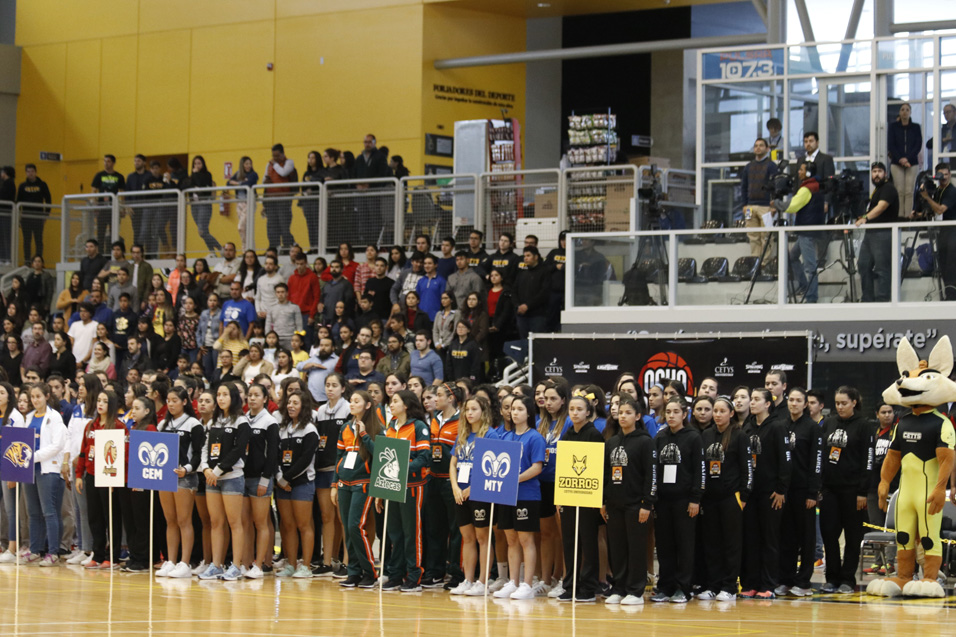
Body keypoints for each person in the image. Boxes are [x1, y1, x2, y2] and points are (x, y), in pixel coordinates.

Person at [819, 386, 873, 594]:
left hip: (853, 491)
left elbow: (868, 460)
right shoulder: (829, 422)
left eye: (844, 403)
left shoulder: (864, 426)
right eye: (837, 403)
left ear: (854, 403)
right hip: (830, 489)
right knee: (829, 534)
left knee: (852, 536)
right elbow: (822, 454)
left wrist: (862, 491)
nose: (840, 407)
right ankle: (831, 577)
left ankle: (847, 579)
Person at [649, 397, 704, 604]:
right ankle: (665, 586)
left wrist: (695, 498)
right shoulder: (660, 437)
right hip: (663, 501)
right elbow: (654, 469)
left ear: (684, 414)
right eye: (668, 412)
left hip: (685, 500)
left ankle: (684, 587)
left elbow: (700, 470)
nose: (671, 415)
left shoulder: (693, 437)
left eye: (675, 412)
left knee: (685, 545)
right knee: (665, 545)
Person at [603, 395, 656, 605]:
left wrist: (647, 503)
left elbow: (651, 475)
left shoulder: (645, 441)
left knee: (636, 548)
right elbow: (606, 475)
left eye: (628, 413)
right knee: (617, 547)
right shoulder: (612, 442)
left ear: (638, 416)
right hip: (614, 505)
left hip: (637, 505)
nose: (623, 416)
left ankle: (636, 591)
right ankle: (619, 587)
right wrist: (604, 501)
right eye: (620, 412)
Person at [739, 388, 791, 599]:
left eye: (757, 399)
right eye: (752, 399)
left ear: (768, 404)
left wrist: (781, 489)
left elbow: (785, 461)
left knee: (769, 539)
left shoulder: (778, 427)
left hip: (770, 493)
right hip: (751, 493)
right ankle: (750, 582)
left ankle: (768, 584)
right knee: (751, 539)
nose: (752, 403)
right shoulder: (747, 427)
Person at [698, 396, 751, 601]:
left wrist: (743, 495)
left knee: (731, 543)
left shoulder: (739, 435)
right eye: (715, 411)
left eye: (722, 411)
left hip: (731, 497)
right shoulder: (706, 435)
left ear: (731, 414)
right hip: (710, 498)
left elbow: (747, 468)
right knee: (712, 543)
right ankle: (713, 584)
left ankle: (729, 586)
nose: (718, 415)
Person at [493, 393, 545, 600]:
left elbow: (537, 467)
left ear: (529, 413)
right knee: (511, 539)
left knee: (526, 539)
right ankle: (512, 582)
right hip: (506, 496)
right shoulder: (504, 437)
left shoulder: (535, 437)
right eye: (512, 409)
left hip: (527, 495)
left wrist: (515, 479)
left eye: (520, 409)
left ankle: (527, 583)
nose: (514, 413)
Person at [197, 383, 251, 581]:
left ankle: (236, 566)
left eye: (225, 395)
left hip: (231, 478)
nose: (220, 398)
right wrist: (205, 468)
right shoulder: (214, 421)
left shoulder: (242, 421)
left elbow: (238, 450)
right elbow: (205, 447)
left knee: (234, 522)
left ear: (234, 397)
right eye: (218, 395)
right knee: (215, 522)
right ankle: (216, 565)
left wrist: (218, 470)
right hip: (212, 478)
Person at [378, 390, 431, 592]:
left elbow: (424, 457)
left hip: (413, 487)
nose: (391, 404)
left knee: (412, 532)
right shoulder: (389, 428)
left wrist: (402, 469)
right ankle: (395, 575)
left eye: (395, 401)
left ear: (406, 405)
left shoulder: (419, 427)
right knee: (394, 533)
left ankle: (414, 575)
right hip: (391, 487)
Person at [557, 395, 606, 602]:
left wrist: (599, 499)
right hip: (568, 495)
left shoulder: (594, 435)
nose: (575, 412)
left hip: (588, 497)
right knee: (569, 541)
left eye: (579, 409)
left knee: (588, 542)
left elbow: (600, 469)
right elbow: (563, 466)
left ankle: (588, 586)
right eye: (571, 409)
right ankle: (570, 585)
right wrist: (559, 496)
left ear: (588, 412)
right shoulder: (567, 434)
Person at [154, 386, 205, 579]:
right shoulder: (162, 425)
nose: (171, 404)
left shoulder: (193, 424)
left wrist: (188, 469)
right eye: (168, 400)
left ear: (185, 402)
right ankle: (171, 560)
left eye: (175, 400)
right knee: (170, 521)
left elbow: (199, 454)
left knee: (184, 520)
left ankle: (185, 562)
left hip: (185, 478)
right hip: (166, 477)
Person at [447, 394, 496, 595]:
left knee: (482, 537)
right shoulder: (463, 435)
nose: (469, 413)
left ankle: (482, 581)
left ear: (483, 412)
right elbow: (453, 463)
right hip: (461, 493)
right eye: (467, 410)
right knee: (467, 538)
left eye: (474, 409)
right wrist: (455, 487)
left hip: (480, 494)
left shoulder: (491, 435)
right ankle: (468, 579)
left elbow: (491, 468)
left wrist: (471, 488)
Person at [776, 387, 822, 597]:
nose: (794, 403)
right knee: (787, 537)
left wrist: (813, 492)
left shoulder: (812, 428)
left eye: (798, 401)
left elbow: (816, 461)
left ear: (806, 404)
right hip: (785, 490)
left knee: (806, 537)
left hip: (804, 490)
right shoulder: (781, 425)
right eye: (791, 400)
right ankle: (785, 578)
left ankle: (803, 581)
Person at [333, 389, 381, 588]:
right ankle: (353, 572)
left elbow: (380, 454)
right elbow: (338, 457)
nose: (351, 404)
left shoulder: (376, 428)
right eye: (350, 401)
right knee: (347, 527)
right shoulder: (345, 427)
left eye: (356, 401)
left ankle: (369, 571)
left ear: (367, 405)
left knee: (355, 525)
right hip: (344, 484)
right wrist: (334, 484)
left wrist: (364, 435)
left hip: (364, 483)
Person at [18, 383, 67, 566]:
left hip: (49, 469)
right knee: (33, 512)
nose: (35, 400)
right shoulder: (28, 417)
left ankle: (53, 552)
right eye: (33, 397)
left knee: (49, 512)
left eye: (38, 396)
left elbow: (57, 445)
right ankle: (35, 549)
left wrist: (34, 457)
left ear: (47, 396)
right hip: (30, 470)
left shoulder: (54, 417)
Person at [273, 388, 319, 578]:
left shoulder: (310, 429)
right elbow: (275, 455)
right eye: (289, 403)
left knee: (304, 525)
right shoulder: (282, 428)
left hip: (301, 484)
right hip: (282, 484)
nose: (290, 406)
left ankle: (305, 566)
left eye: (295, 403)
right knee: (287, 525)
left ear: (304, 407)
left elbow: (305, 459)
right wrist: (278, 478)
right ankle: (290, 565)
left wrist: (286, 478)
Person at [422, 383, 463, 589]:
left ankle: (456, 573)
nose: (434, 399)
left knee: (456, 530)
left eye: (438, 395)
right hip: (433, 479)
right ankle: (434, 571)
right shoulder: (432, 420)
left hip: (451, 481)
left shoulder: (461, 421)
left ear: (451, 398)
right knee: (433, 528)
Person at [312, 373, 350, 577]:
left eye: (334, 385)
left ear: (343, 388)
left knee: (342, 517)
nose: (330, 389)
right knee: (327, 517)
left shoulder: (348, 409)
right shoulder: (320, 411)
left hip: (341, 470)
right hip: (322, 470)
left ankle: (346, 561)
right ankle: (327, 561)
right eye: (327, 385)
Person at [241, 383, 279, 579]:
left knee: (261, 523)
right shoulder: (244, 419)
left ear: (265, 399)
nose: (252, 398)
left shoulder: (270, 422)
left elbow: (272, 455)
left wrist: (266, 478)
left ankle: (260, 564)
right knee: (245, 523)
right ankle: (246, 563)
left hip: (260, 479)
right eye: (250, 395)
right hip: (242, 478)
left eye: (257, 395)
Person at [118, 396, 159, 573]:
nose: (132, 411)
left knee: (141, 520)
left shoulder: (150, 429)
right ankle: (134, 556)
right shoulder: (132, 427)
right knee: (130, 520)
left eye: (137, 408)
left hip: (141, 482)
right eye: (132, 408)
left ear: (147, 411)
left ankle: (143, 558)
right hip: (126, 479)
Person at [775, 160, 823, 303]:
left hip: (806, 231)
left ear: (808, 173)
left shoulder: (807, 188)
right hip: (808, 230)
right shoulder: (816, 186)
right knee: (792, 257)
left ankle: (811, 297)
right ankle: (804, 286)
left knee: (809, 266)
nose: (799, 172)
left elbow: (792, 206)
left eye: (801, 170)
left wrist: (776, 203)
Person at [854, 162, 900, 303]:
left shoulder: (888, 188)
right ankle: (867, 299)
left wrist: (865, 218)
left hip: (883, 233)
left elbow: (881, 207)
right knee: (863, 264)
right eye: (874, 171)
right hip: (870, 233)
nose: (876, 174)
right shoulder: (877, 190)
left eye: (880, 171)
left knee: (882, 268)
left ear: (885, 174)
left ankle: (883, 300)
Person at [918, 163, 956, 300]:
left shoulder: (951, 191)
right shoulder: (939, 190)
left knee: (951, 266)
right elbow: (934, 211)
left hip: (952, 232)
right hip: (943, 232)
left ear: (950, 175)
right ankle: (948, 295)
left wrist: (927, 197)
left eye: (946, 174)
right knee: (944, 265)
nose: (944, 177)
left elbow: (940, 210)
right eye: (941, 175)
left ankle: (952, 297)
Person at [740, 138, 779, 256]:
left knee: (766, 237)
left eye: (761, 145)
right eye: (756, 145)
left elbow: (776, 187)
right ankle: (755, 262)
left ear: (767, 149)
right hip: (750, 207)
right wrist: (744, 205)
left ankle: (765, 264)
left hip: (766, 207)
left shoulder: (771, 166)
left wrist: (774, 206)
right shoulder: (748, 167)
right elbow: (744, 187)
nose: (758, 147)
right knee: (752, 236)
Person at [888, 102, 922, 215]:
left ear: (910, 112)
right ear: (899, 112)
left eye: (907, 109)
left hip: (912, 163)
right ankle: (899, 217)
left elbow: (918, 145)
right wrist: (900, 159)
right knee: (899, 191)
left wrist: (907, 158)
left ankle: (907, 218)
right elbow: (891, 145)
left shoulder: (916, 127)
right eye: (902, 109)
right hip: (896, 163)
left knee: (909, 191)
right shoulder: (893, 127)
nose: (905, 112)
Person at [262, 143, 298, 251]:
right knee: (271, 225)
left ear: (283, 154)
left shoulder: (289, 162)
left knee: (284, 224)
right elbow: (264, 180)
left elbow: (283, 173)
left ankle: (289, 246)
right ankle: (273, 247)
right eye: (273, 156)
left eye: (277, 156)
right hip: (271, 199)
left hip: (283, 199)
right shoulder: (269, 165)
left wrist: (274, 164)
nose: (275, 158)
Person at [17, 164, 52, 263]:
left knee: (38, 240)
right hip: (26, 217)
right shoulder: (22, 186)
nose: (30, 173)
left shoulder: (42, 185)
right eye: (28, 171)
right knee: (27, 240)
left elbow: (48, 200)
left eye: (32, 171)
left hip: (38, 217)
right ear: (26, 173)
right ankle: (27, 261)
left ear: (35, 172)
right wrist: (19, 217)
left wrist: (46, 215)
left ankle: (39, 261)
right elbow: (18, 202)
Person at [186, 156, 221, 255]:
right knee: (203, 232)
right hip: (194, 205)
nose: (197, 166)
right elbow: (188, 185)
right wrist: (193, 175)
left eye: (199, 163)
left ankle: (220, 248)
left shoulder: (207, 174)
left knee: (201, 230)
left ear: (203, 164)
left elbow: (201, 184)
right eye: (195, 164)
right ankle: (212, 252)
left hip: (204, 204)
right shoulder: (191, 176)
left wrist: (196, 174)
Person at [514, 245, 550, 339]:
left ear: (536, 257)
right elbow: (514, 291)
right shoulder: (521, 274)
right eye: (524, 256)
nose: (525, 258)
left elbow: (544, 293)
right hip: (522, 315)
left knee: (537, 342)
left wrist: (528, 305)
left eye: (528, 255)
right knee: (524, 342)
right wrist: (518, 305)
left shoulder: (544, 272)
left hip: (538, 315)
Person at [91, 154, 125, 248]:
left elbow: (122, 194)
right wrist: (95, 205)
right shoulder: (99, 175)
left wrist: (122, 208)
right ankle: (101, 253)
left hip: (114, 208)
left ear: (113, 163)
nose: (106, 163)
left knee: (113, 232)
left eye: (108, 161)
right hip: (102, 208)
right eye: (104, 161)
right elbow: (93, 191)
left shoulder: (119, 176)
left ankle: (112, 253)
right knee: (100, 232)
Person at [226, 156, 258, 247]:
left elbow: (249, 183)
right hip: (240, 203)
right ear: (242, 165)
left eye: (250, 164)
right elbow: (228, 183)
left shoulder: (253, 174)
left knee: (241, 227)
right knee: (245, 230)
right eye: (246, 164)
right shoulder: (238, 174)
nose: (248, 166)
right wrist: (240, 182)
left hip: (249, 203)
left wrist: (237, 183)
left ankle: (247, 249)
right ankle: (248, 249)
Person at [803, 131, 836, 216]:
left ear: (817, 142)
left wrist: (826, 201)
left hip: (819, 199)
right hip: (802, 200)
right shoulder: (801, 160)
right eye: (806, 142)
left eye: (811, 141)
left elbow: (829, 182)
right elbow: (797, 181)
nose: (808, 144)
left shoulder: (825, 159)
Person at [926, 102, 956, 169]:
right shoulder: (943, 129)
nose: (946, 115)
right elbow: (929, 144)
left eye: (948, 112)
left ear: (954, 112)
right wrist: (941, 140)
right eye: (944, 113)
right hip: (943, 161)